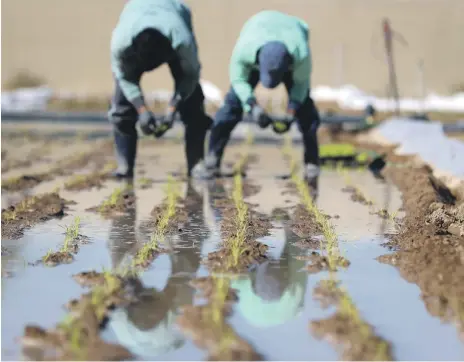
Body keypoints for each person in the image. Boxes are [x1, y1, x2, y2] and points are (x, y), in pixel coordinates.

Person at [201, 10, 321, 195]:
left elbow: (301, 85)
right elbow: (238, 81)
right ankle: (212, 158)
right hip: (257, 31)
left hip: (290, 42)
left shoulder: (301, 54)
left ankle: (312, 161)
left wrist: (291, 112)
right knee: (231, 107)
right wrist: (253, 107)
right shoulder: (244, 51)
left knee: (307, 112)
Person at [108, 0, 213, 180]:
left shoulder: (181, 40)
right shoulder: (121, 43)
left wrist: (173, 107)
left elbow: (190, 76)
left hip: (174, 12)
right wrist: (142, 109)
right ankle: (124, 165)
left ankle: (196, 163)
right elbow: (124, 77)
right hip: (136, 12)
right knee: (121, 108)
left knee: (193, 102)